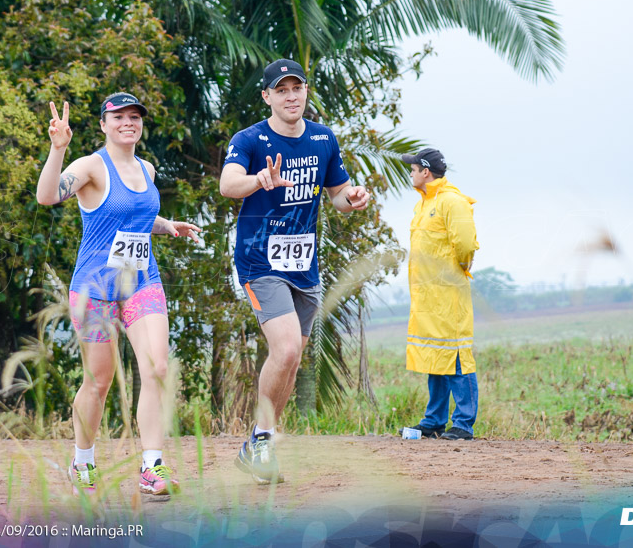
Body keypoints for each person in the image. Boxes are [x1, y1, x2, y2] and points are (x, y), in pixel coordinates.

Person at [36, 93, 201, 495]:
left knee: (157, 368)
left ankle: (152, 467)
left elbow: (136, 217)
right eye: (119, 117)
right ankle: (83, 460)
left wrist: (166, 225)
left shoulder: (147, 168)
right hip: (95, 290)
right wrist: (58, 150)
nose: (128, 122)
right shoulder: (91, 166)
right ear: (104, 124)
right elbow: (47, 195)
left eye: (135, 116)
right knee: (100, 381)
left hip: (141, 282)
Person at [219, 59, 370, 483]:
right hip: (259, 260)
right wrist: (259, 181)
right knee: (284, 349)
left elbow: (337, 194)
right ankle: (262, 442)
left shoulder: (323, 138)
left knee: (294, 357)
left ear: (305, 92)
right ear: (267, 96)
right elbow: (228, 185)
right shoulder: (250, 139)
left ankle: (259, 440)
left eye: (297, 88)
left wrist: (352, 198)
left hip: (305, 264)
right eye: (281, 90)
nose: (291, 96)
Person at [401, 148, 479, 441]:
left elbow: (466, 244)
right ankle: (433, 421)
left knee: (457, 356)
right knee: (436, 355)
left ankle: (463, 424)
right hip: (426, 298)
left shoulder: (452, 202)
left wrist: (456, 271)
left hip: (448, 296)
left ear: (425, 172)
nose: (410, 173)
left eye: (413, 169)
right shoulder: (423, 205)